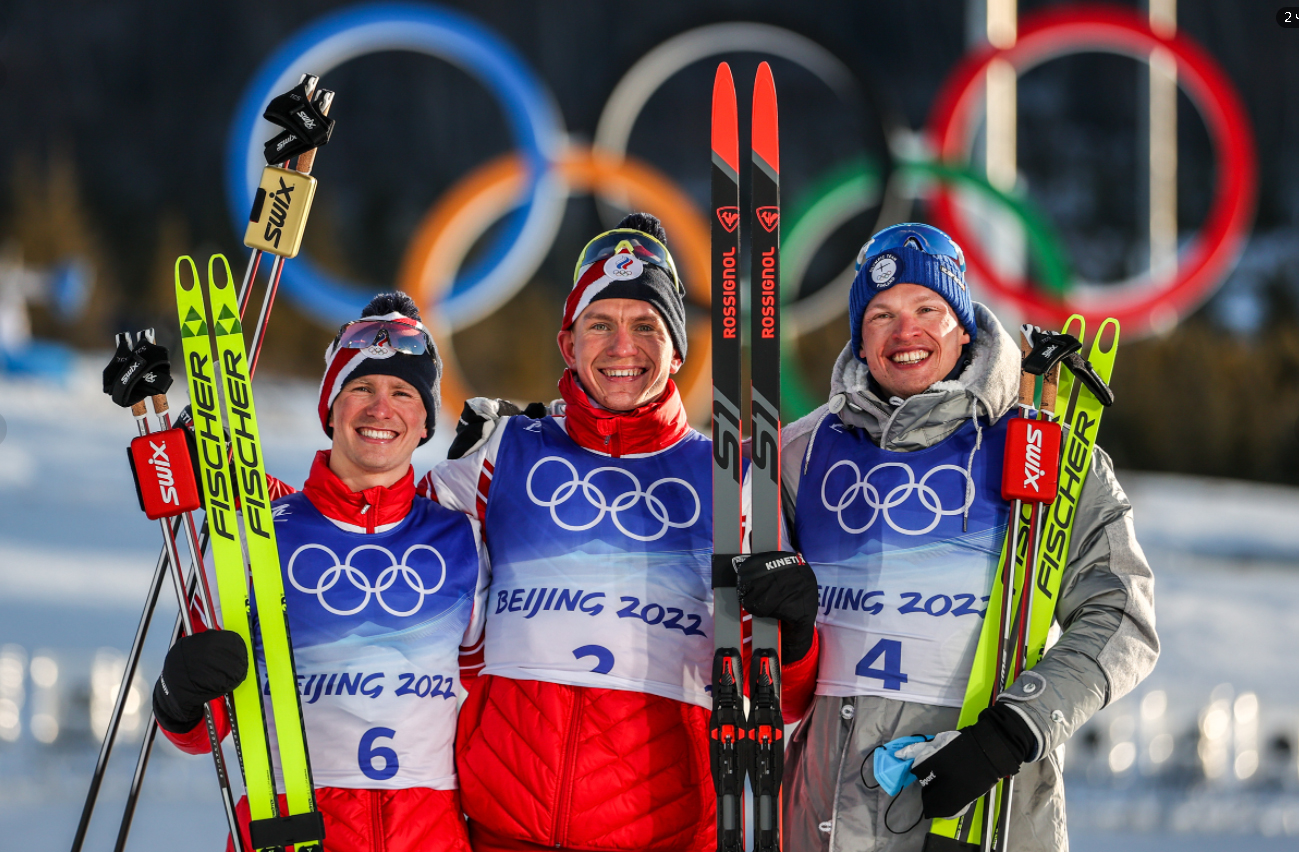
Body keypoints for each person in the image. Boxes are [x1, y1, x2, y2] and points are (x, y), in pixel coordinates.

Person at [422, 212, 822, 852]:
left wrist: (796, 631)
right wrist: (257, 496)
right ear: (568, 341)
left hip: (662, 830)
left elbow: (782, 696)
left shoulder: (730, 481)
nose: (621, 347)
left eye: (646, 326)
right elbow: (373, 540)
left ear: (677, 348)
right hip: (503, 826)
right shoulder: (503, 456)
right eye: (600, 324)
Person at [778, 223, 1159, 851]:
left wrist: (1012, 732)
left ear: (962, 324)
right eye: (881, 315)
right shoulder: (798, 453)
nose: (906, 334)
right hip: (823, 820)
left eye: (928, 308)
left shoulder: (1047, 455)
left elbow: (1124, 616)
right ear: (859, 335)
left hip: (989, 815)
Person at [151, 293, 488, 852]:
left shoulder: (462, 540)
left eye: (403, 392)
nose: (381, 409)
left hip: (430, 836)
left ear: (425, 417)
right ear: (331, 406)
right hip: (289, 830)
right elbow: (200, 731)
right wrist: (177, 697)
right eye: (361, 387)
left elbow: (495, 703)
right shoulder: (256, 535)